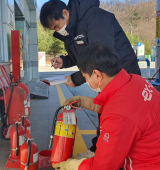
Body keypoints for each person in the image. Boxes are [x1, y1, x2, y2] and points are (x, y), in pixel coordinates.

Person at [40, 0, 141, 157]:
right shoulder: (71, 31)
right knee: (107, 113)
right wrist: (64, 61)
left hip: (123, 73)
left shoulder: (94, 18)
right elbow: (81, 56)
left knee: (118, 117)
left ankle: (107, 154)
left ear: (65, 13)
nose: (58, 31)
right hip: (106, 76)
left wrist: (77, 78)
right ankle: (99, 150)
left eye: (57, 26)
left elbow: (102, 56)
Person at [53, 43, 160, 170]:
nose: (86, 82)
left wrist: (73, 165)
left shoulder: (118, 116)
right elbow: (127, 111)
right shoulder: (136, 80)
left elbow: (102, 167)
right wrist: (85, 102)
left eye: (86, 77)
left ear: (97, 74)